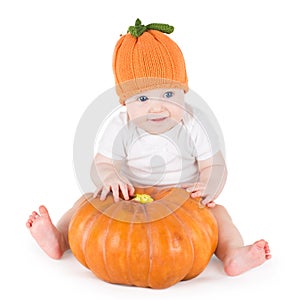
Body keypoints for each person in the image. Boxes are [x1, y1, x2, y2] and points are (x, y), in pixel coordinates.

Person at [26, 19, 271, 277]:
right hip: (128, 197)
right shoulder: (122, 126)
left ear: (183, 92)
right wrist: (111, 177)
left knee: (220, 216)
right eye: (143, 98)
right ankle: (60, 239)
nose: (157, 107)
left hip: (184, 202)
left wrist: (209, 185)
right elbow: (102, 163)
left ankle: (232, 253)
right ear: (125, 103)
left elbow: (215, 164)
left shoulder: (193, 123)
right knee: (85, 203)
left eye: (168, 95)